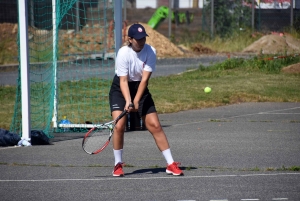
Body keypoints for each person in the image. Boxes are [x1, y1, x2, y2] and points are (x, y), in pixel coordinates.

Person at [109, 23, 183, 177]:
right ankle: (117, 165)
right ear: (130, 39)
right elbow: (123, 81)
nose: (141, 41)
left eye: (143, 38)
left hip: (140, 88)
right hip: (120, 88)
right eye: (137, 39)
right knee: (119, 126)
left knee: (155, 125)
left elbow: (144, 81)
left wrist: (135, 100)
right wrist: (128, 101)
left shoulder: (150, 51)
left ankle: (170, 164)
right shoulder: (123, 53)